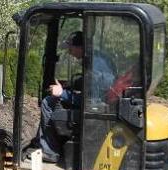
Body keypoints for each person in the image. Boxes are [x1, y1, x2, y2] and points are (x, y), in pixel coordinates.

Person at [37, 31, 116, 163]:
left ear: (79, 47)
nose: (68, 51)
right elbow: (91, 85)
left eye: (70, 47)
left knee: (47, 102)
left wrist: (62, 93)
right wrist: (72, 84)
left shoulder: (94, 65)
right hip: (102, 105)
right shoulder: (97, 59)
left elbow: (90, 101)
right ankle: (46, 143)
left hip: (96, 112)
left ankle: (50, 152)